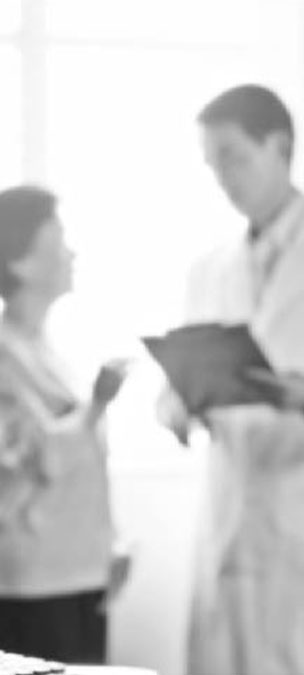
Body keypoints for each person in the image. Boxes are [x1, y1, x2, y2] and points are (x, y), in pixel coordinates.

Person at [159, 84, 304, 675]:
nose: (223, 178)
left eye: (234, 158)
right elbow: (180, 380)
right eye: (212, 165)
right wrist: (175, 406)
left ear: (281, 146)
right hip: (228, 510)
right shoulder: (208, 270)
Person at [0, 185, 129, 664]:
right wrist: (97, 404)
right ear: (20, 263)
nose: (71, 253)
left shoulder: (49, 354)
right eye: (58, 241)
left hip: (78, 576)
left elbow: (82, 470)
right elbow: (38, 458)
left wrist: (108, 547)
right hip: (29, 588)